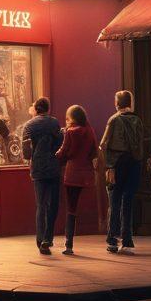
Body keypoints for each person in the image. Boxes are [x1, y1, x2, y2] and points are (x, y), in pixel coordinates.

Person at [100, 90, 143, 254]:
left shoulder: (114, 119)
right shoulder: (137, 120)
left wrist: (107, 165)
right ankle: (127, 239)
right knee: (128, 201)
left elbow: (104, 144)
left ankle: (112, 239)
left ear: (117, 103)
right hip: (134, 164)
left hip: (116, 164)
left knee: (114, 201)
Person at [22, 97, 63, 255]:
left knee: (41, 205)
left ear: (36, 109)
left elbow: (26, 151)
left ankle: (40, 240)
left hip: (38, 168)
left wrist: (31, 159)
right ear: (48, 108)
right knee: (53, 204)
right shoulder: (54, 123)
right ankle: (48, 237)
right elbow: (60, 142)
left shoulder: (29, 125)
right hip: (53, 166)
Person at [55, 104, 98, 255]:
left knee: (71, 210)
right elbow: (94, 151)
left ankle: (69, 244)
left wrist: (55, 155)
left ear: (72, 118)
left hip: (72, 173)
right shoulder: (89, 130)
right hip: (86, 174)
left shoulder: (70, 132)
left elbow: (64, 152)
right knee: (81, 207)